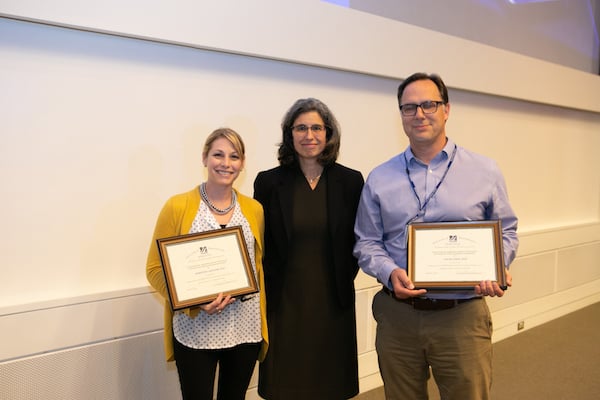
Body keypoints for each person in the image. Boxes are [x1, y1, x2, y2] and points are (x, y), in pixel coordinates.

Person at [353, 73, 519, 400]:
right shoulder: (380, 177)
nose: (419, 114)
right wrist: (390, 272)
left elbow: (507, 231)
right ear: (401, 114)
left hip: (462, 316)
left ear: (446, 110)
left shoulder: (484, 171)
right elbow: (367, 241)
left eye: (429, 104)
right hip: (398, 316)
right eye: (409, 107)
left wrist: (495, 268)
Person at [146, 128, 268, 400]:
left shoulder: (254, 209)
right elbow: (154, 269)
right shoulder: (177, 207)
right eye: (218, 154)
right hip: (195, 331)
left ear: (243, 163)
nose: (226, 163)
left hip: (245, 330)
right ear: (204, 158)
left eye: (234, 156)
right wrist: (192, 301)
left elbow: (258, 268)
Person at [253, 98, 364, 399]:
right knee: (285, 385)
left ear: (329, 133)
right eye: (300, 128)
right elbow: (257, 243)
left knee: (330, 383)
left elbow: (360, 239)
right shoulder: (268, 183)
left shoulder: (350, 182)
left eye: (317, 127)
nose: (309, 135)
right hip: (285, 302)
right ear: (289, 134)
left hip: (333, 300)